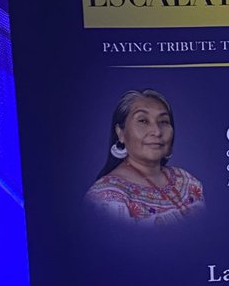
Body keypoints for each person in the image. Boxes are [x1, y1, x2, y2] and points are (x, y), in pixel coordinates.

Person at [86, 89, 204, 224]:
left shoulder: (187, 181)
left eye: (163, 122)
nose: (157, 131)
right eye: (143, 121)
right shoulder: (105, 197)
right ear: (120, 133)